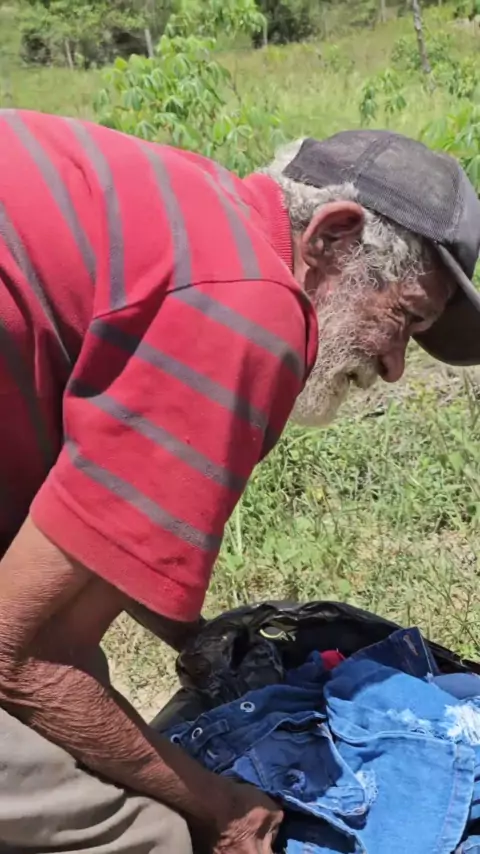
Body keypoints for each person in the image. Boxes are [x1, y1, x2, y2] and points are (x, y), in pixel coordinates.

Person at [0, 108, 478, 854]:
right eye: (405, 319)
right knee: (150, 830)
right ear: (332, 238)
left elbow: (77, 551)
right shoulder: (244, 305)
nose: (393, 367)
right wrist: (223, 809)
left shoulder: (195, 214)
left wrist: (194, 638)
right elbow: (22, 658)